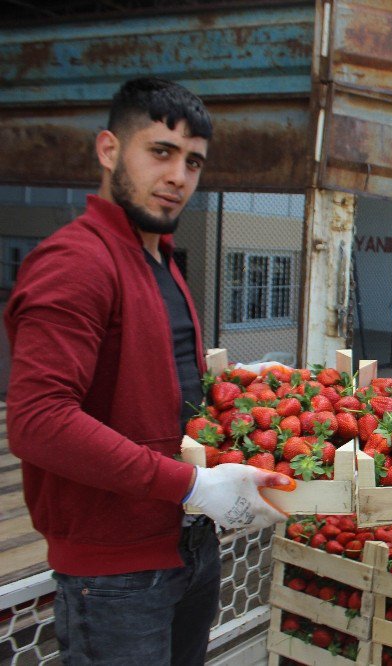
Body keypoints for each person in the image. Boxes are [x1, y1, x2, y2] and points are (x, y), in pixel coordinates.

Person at [4, 77, 289, 666]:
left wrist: (236, 384)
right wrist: (186, 484)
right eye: (160, 152)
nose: (178, 177)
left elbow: (148, 388)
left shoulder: (157, 257)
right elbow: (37, 421)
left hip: (186, 546)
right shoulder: (76, 261)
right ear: (109, 150)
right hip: (116, 573)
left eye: (193, 162)